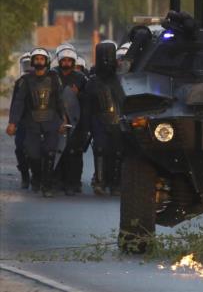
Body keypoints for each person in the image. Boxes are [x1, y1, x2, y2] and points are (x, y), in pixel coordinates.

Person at [7, 48, 67, 197]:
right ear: (33, 62)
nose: (39, 61)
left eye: (42, 58)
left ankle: (47, 185)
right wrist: (13, 122)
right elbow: (19, 102)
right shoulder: (26, 81)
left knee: (50, 151)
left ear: (46, 61)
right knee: (33, 153)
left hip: (51, 120)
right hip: (32, 121)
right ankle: (37, 177)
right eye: (36, 59)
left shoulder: (54, 78)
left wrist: (63, 119)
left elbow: (60, 100)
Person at [84, 41, 124, 196]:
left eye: (109, 57)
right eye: (103, 57)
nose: (106, 61)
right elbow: (87, 106)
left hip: (118, 120)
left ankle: (115, 184)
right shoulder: (93, 81)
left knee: (118, 152)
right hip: (98, 120)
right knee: (100, 149)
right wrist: (86, 127)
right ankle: (100, 182)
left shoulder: (121, 80)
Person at [54, 47, 89, 195]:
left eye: (69, 60)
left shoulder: (81, 78)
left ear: (73, 62)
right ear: (60, 61)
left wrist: (78, 94)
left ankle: (74, 183)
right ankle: (57, 182)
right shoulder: (53, 75)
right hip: (57, 120)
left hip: (76, 121)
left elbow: (88, 98)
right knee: (57, 151)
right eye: (64, 60)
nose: (67, 63)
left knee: (75, 153)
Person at [8, 53, 32, 189]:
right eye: (26, 65)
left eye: (31, 64)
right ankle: (25, 175)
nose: (29, 68)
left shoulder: (47, 80)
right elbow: (15, 104)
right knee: (20, 148)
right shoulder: (20, 82)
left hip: (40, 121)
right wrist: (13, 122)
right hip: (23, 121)